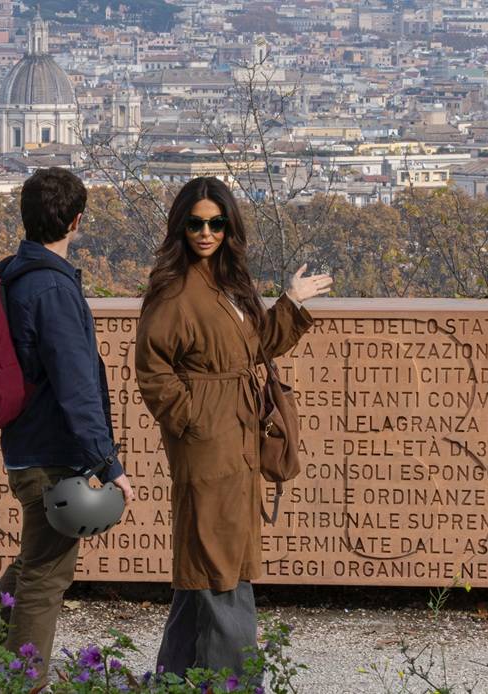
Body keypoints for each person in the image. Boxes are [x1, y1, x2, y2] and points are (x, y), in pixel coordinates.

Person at [134, 177, 333, 677]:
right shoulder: (174, 292)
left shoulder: (229, 284)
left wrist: (290, 301)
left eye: (216, 223)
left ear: (229, 226)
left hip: (237, 437)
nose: (206, 232)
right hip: (209, 443)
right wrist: (197, 420)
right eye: (196, 223)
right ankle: (235, 682)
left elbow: (254, 348)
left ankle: (175, 680)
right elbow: (153, 372)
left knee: (206, 564)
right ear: (181, 225)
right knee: (223, 566)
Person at [0, 167, 133, 670]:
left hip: (25, 445)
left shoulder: (14, 274)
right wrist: (108, 463)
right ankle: (20, 680)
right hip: (52, 454)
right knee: (46, 577)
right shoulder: (51, 289)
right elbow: (76, 385)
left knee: (34, 562)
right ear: (77, 221)